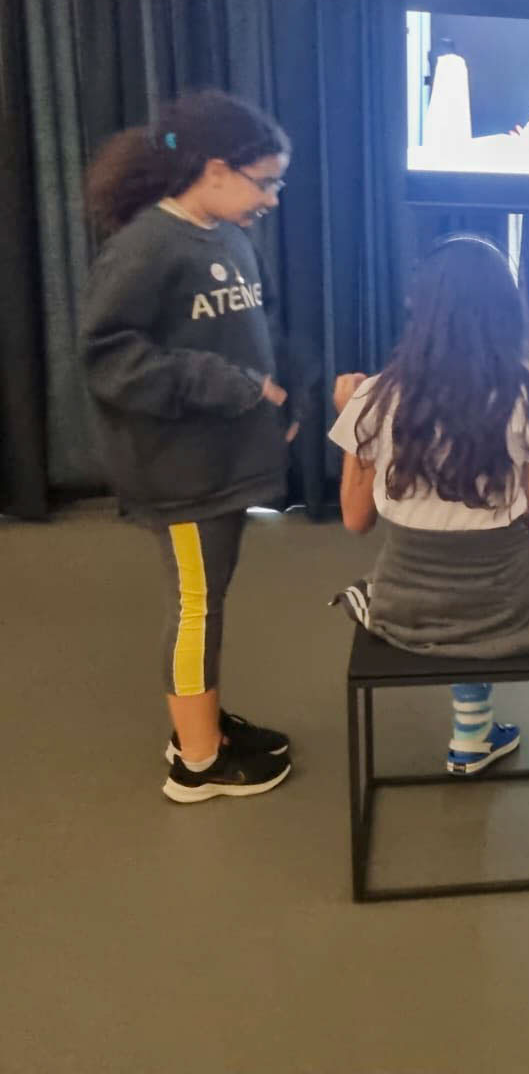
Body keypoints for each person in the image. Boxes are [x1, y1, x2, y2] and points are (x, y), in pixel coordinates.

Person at [328, 234, 529, 775]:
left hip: (405, 611)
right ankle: (472, 732)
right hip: (504, 607)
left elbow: (355, 521)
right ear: (508, 314)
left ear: (419, 311)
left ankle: (473, 731)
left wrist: (352, 422)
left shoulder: (374, 396)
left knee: (449, 589)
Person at [80, 89, 297, 803]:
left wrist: (275, 401)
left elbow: (250, 335)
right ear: (215, 170)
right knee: (198, 607)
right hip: (180, 472)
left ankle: (201, 718)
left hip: (224, 462)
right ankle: (198, 763)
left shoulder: (229, 236)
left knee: (210, 599)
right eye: (263, 182)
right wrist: (233, 386)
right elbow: (111, 360)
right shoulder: (146, 247)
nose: (271, 198)